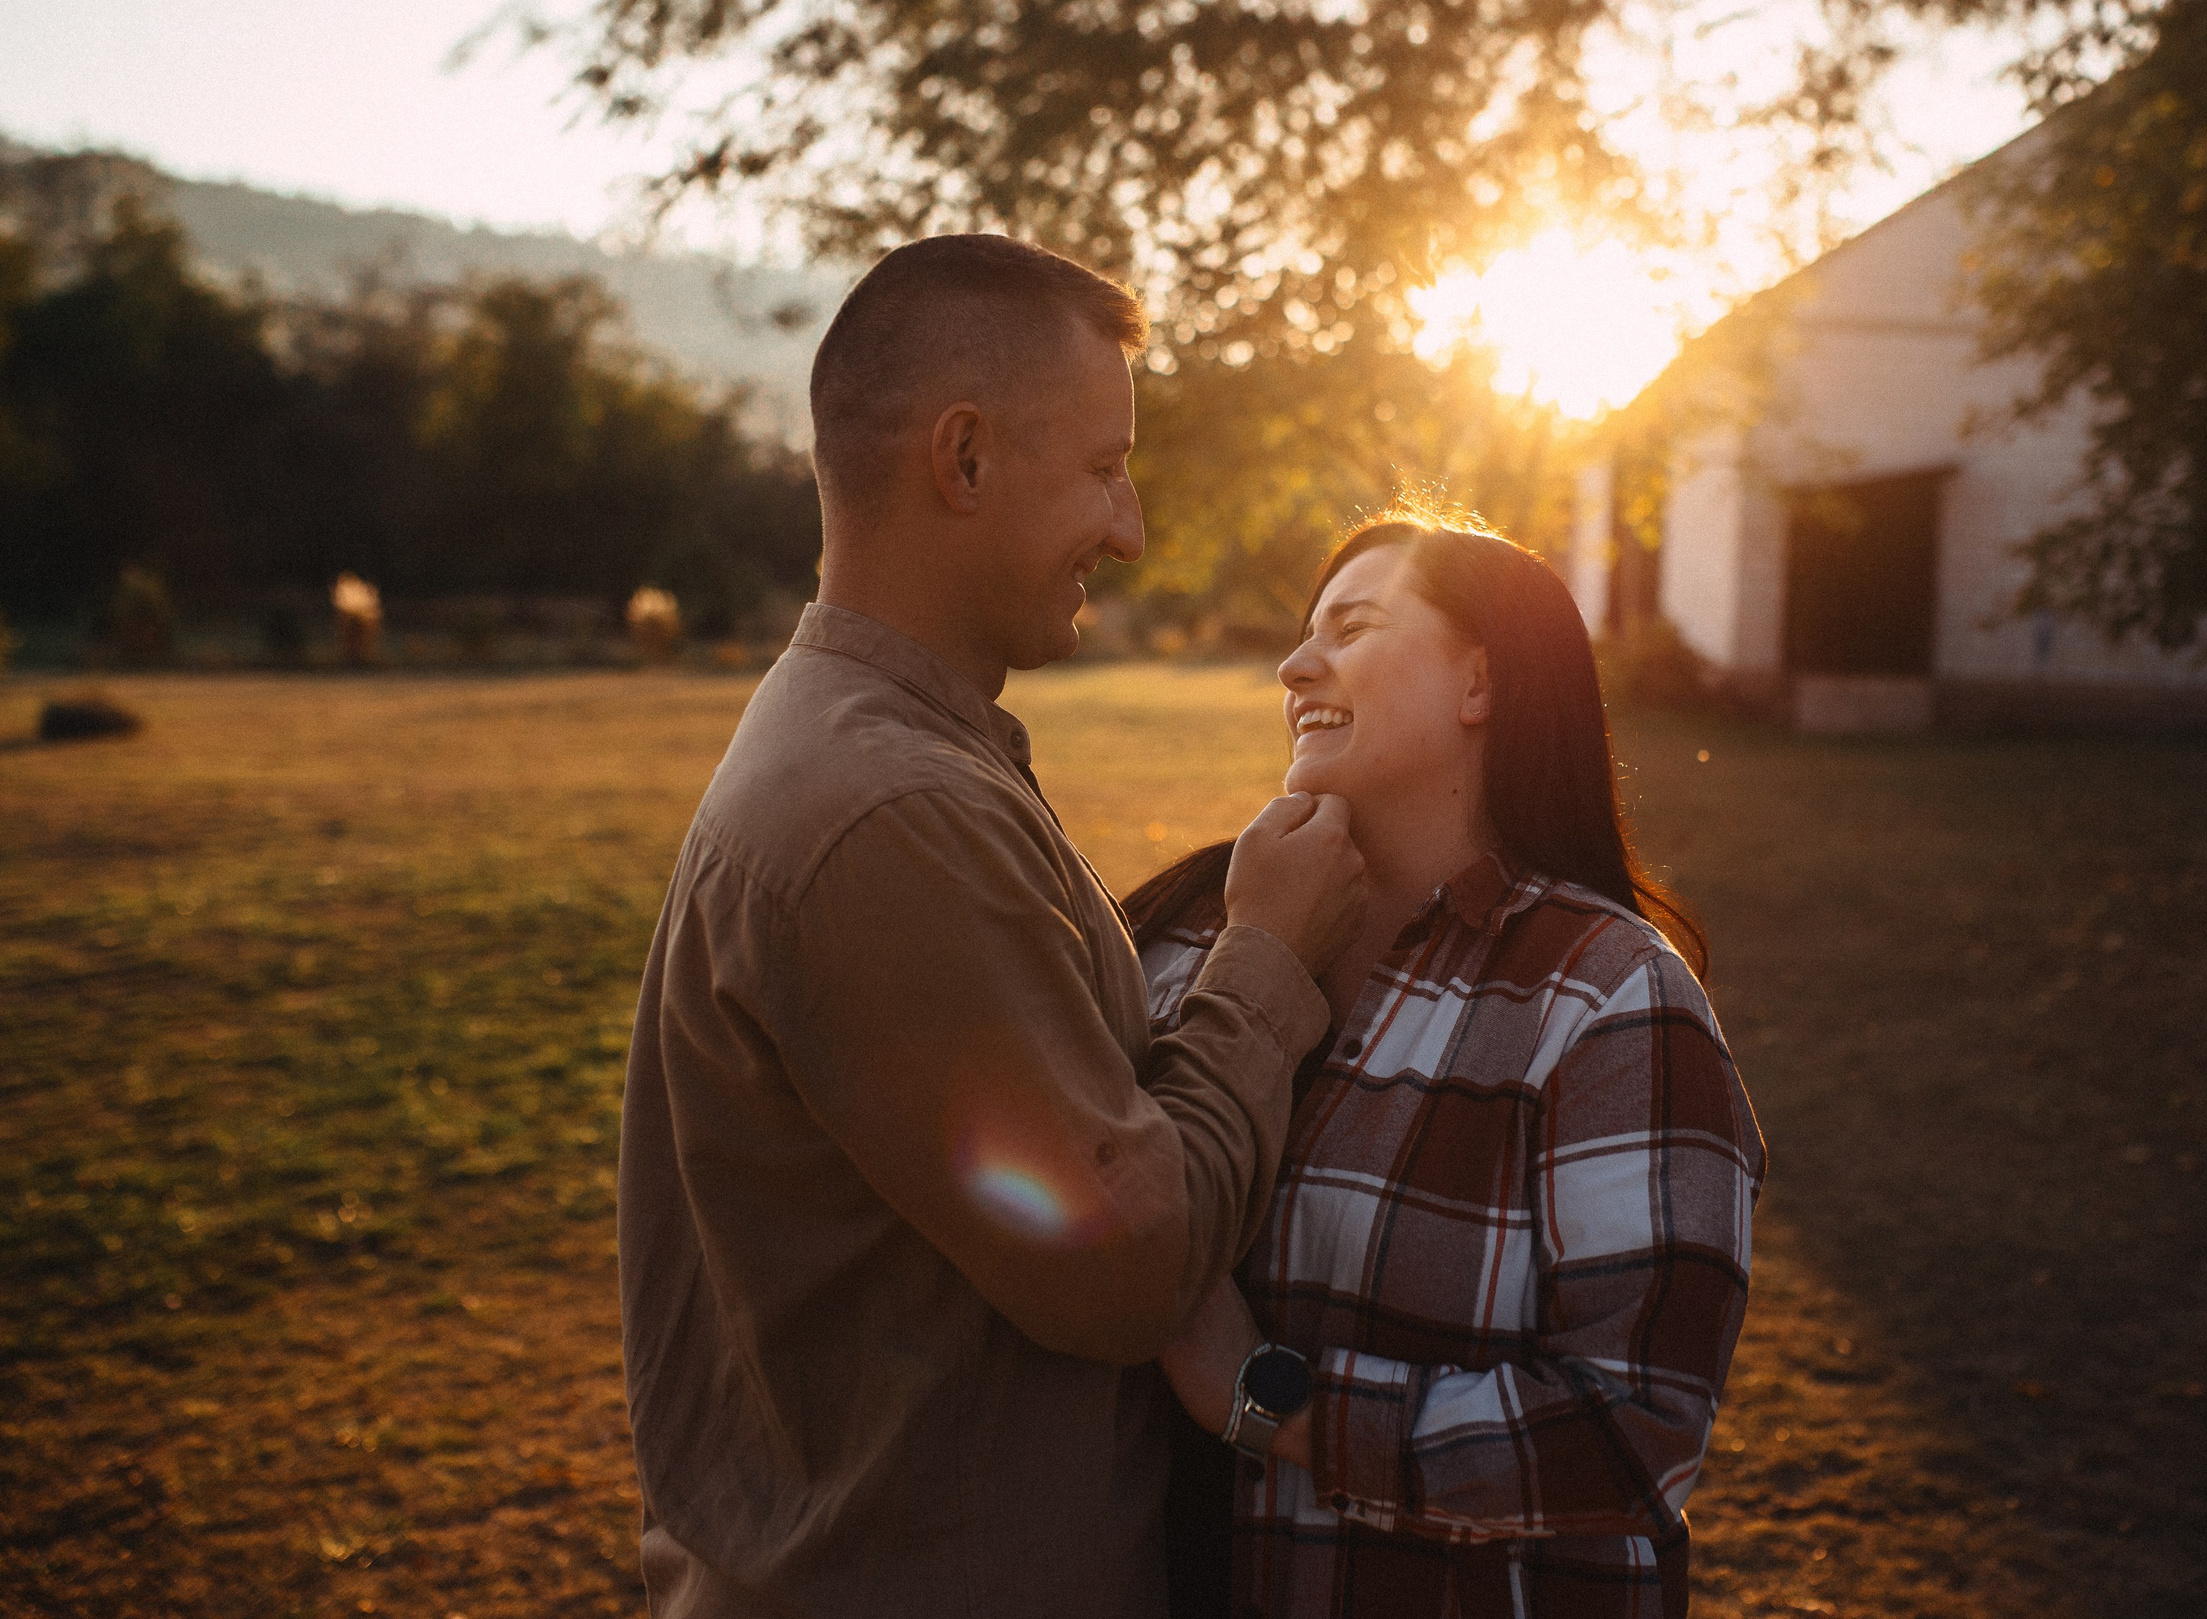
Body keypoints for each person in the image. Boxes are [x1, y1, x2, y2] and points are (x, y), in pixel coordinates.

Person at [617, 234, 1367, 1619]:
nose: (1130, 527)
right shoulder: (885, 810)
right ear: (962, 461)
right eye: (1102, 468)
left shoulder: (888, 752)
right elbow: (1120, 1261)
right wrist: (1266, 953)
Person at [1126, 512, 1766, 1619]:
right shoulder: (1182, 943)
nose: (1293, 665)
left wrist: (1271, 1403)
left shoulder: (1608, 1001)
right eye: (1301, 635)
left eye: (1353, 625)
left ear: (1480, 681)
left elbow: (1632, 1431)